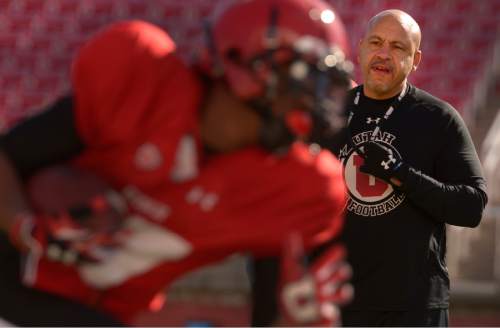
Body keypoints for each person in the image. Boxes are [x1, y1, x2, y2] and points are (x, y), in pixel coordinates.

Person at [0, 0, 354, 326]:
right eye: (302, 81)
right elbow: (8, 155)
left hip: (96, 314)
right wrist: (25, 226)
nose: (312, 102)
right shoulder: (148, 83)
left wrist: (295, 319)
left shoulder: (296, 185)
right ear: (240, 56)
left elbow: (275, 308)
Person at [332, 9, 488, 326]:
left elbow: (471, 207)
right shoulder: (331, 114)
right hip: (339, 301)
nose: (383, 53)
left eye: (398, 46)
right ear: (360, 48)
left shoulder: (438, 118)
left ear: (415, 59)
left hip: (415, 308)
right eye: (375, 42)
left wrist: (399, 172)